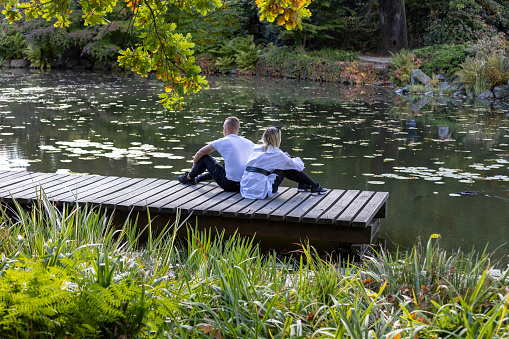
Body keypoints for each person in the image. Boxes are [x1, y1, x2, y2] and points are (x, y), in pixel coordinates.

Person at [240, 126, 327, 199]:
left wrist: (285, 157)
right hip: (259, 190)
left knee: (285, 163)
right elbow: (298, 167)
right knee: (287, 166)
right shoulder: (276, 152)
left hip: (246, 187)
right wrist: (289, 158)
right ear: (277, 139)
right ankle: (314, 186)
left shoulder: (256, 148)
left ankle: (304, 184)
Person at [177, 116, 254, 192]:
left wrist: (193, 169)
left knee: (205, 158)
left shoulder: (223, 141)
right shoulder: (249, 143)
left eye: (223, 128)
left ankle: (188, 178)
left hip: (229, 185)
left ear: (226, 128)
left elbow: (198, 154)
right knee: (225, 165)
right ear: (237, 129)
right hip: (244, 184)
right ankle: (198, 178)